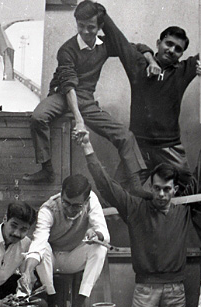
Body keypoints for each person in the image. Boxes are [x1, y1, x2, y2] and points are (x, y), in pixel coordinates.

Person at [97, 14, 201, 253]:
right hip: (136, 149)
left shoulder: (182, 71)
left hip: (170, 149)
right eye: (168, 44)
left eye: (178, 49)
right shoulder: (138, 65)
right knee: (113, 195)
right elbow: (121, 42)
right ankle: (103, 249)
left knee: (194, 198)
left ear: (182, 54)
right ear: (158, 43)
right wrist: (102, 15)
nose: (172, 50)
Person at [81, 120, 201, 307]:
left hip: (176, 289)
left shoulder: (182, 207)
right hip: (145, 288)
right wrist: (87, 148)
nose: (161, 194)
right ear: (150, 187)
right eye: (157, 188)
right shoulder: (136, 208)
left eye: (166, 189)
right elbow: (107, 186)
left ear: (174, 190)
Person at [23, 0, 145, 196]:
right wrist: (79, 121)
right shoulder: (67, 49)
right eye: (81, 26)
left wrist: (150, 57)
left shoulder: (104, 45)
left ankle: (136, 183)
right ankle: (46, 169)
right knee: (38, 117)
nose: (85, 32)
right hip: (62, 95)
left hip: (86, 99)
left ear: (100, 26)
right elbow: (69, 85)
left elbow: (133, 48)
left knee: (125, 135)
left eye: (91, 27)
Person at [21, 174, 109, 307]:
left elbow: (104, 233)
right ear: (61, 194)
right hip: (52, 261)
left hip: (74, 258)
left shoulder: (92, 201)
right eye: (66, 203)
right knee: (41, 247)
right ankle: (53, 306)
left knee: (100, 247)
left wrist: (96, 234)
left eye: (76, 206)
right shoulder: (48, 209)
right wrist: (27, 272)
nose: (69, 209)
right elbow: (38, 244)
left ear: (86, 201)